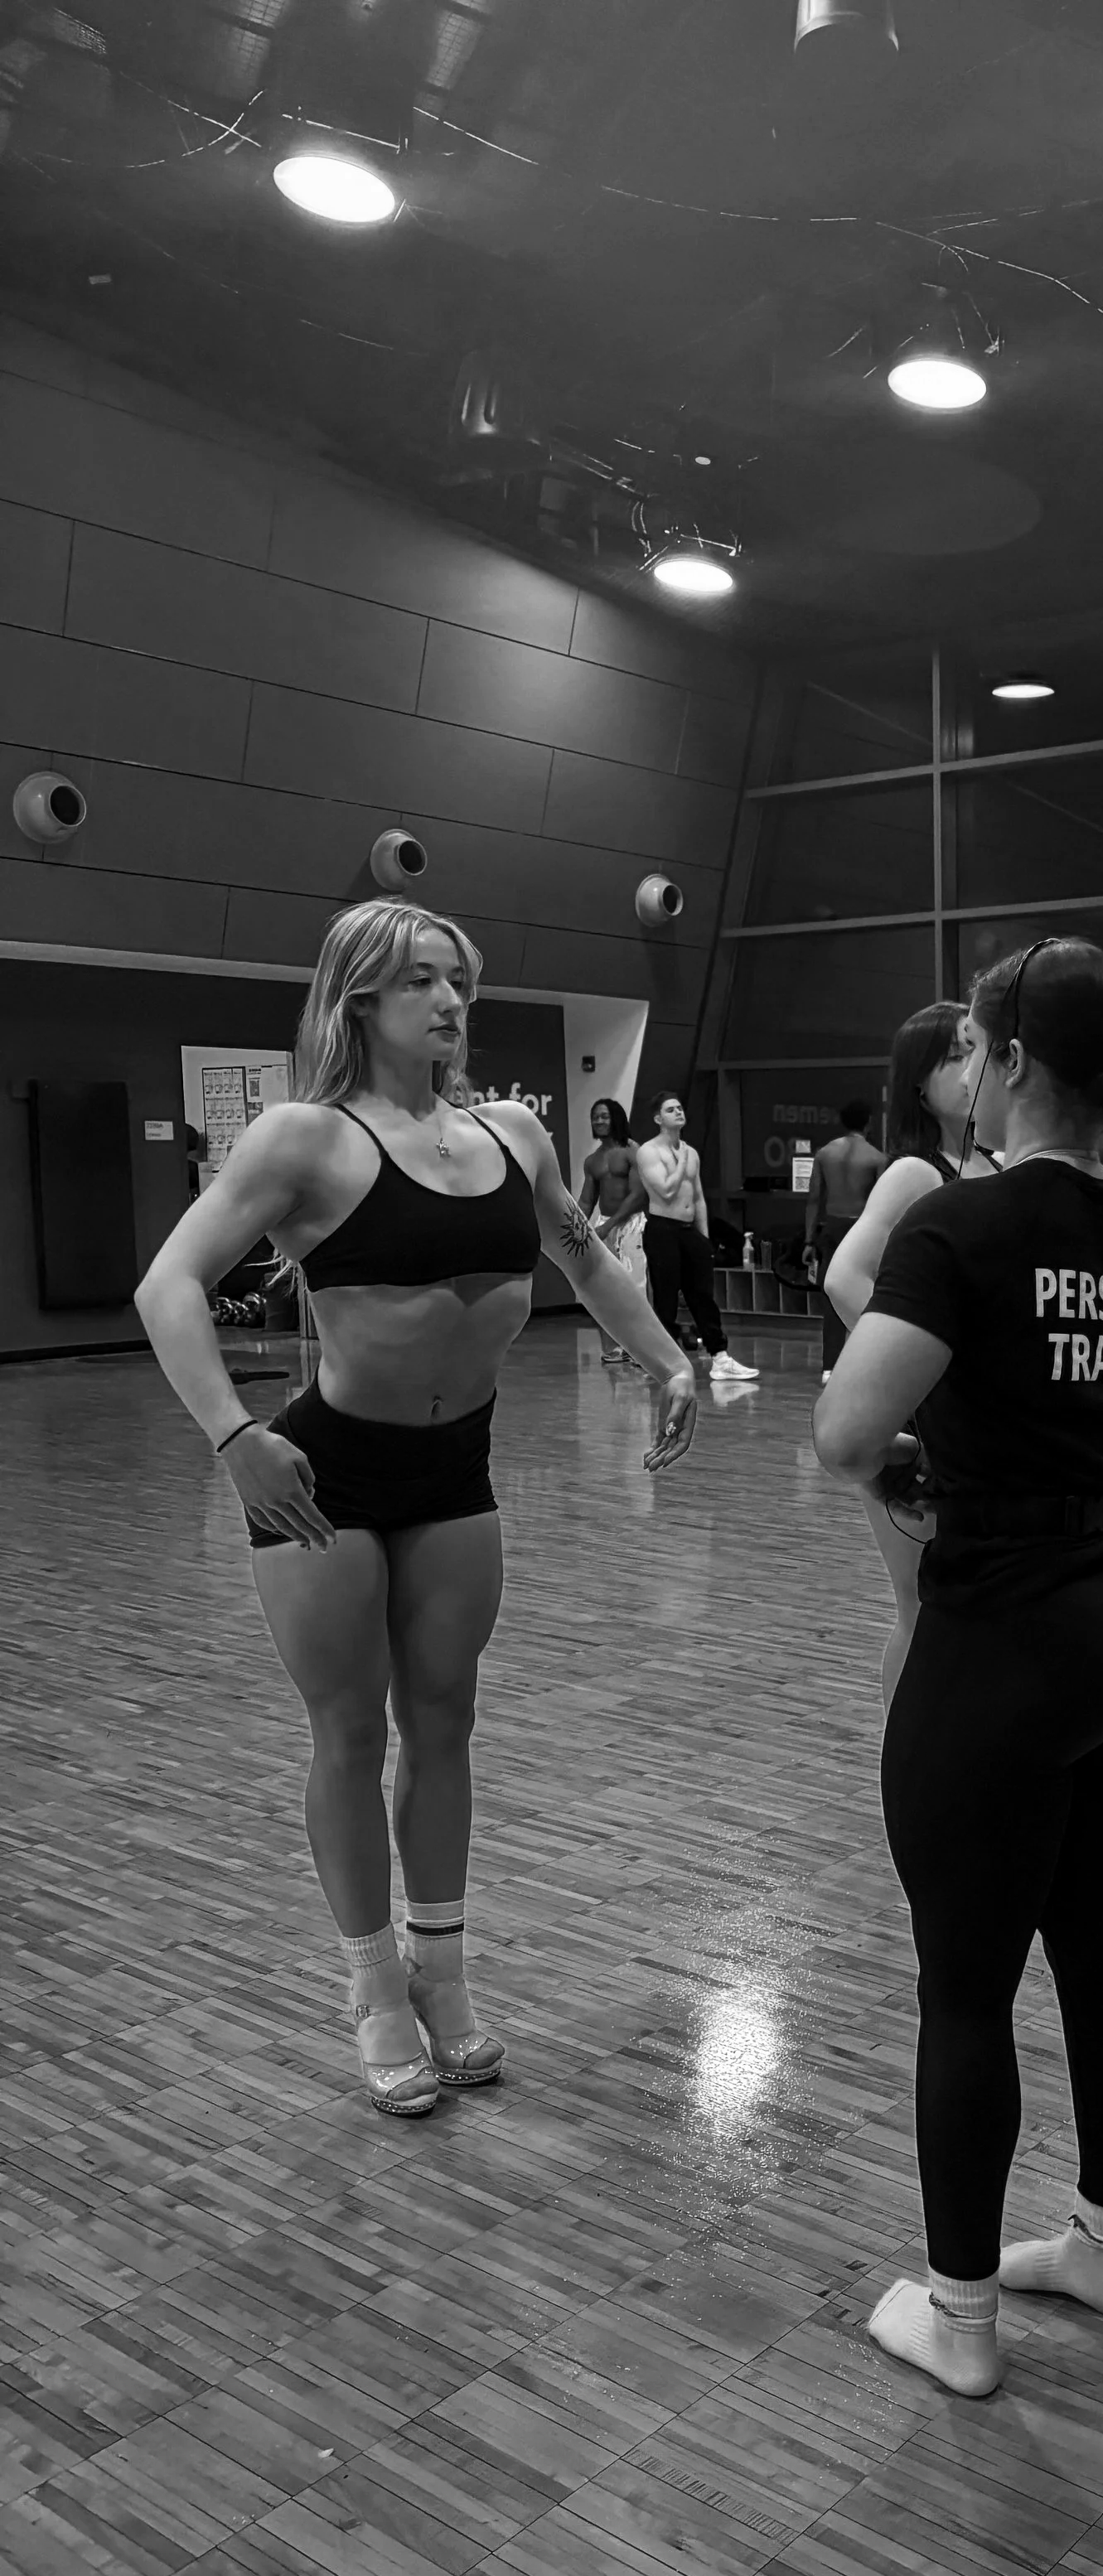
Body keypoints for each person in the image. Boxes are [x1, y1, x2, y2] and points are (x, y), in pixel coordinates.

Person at [133, 901, 699, 2116]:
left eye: (458, 983)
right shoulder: (303, 1139)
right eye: (421, 983)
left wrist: (669, 1360)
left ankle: (441, 1973)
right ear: (359, 1000)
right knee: (348, 1732)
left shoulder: (512, 1134)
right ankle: (373, 1988)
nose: (449, 1003)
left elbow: (585, 1257)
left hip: (456, 1473)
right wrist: (234, 1438)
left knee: (444, 1722)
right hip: (323, 1479)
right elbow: (167, 1283)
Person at [813, 938, 1103, 2400]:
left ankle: (960, 2320)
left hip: (1007, 1634)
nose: (964, 1071)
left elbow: (848, 1433)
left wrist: (946, 1436)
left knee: (965, 1989)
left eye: (976, 1047)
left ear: (1017, 1060)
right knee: (1101, 1949)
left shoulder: (960, 1227)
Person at [823, 1003, 996, 1705]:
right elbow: (844, 1277)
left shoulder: (999, 1163)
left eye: (975, 1049)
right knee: (923, 1606)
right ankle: (904, 1759)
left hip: (980, 1424)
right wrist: (926, 1365)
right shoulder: (916, 1173)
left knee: (974, 1607)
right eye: (953, 1055)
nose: (971, 1067)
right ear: (919, 1084)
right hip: (919, 1422)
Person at [638, 1095, 758, 1383]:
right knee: (666, 1298)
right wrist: (680, 1160)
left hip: (688, 1229)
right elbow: (666, 1191)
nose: (678, 1112)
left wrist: (704, 1240)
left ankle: (720, 1357)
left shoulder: (691, 1152)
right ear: (658, 1118)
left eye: (680, 1108)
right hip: (662, 1229)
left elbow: (698, 1197)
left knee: (703, 1296)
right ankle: (665, 1363)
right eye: (671, 1110)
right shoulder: (649, 1151)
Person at [804, 1100, 888, 1381]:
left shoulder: (825, 1153)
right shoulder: (876, 1157)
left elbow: (814, 1199)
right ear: (869, 1123)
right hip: (863, 1229)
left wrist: (808, 1240)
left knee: (832, 1295)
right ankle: (868, 1363)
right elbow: (882, 1203)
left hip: (832, 1227)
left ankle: (829, 1367)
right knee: (871, 1295)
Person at [578, 1098, 647, 1365]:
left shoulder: (632, 1152)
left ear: (616, 1118)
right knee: (608, 1289)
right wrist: (576, 1230)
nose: (599, 1121)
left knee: (636, 1287)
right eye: (595, 1117)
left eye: (604, 1116)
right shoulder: (593, 1160)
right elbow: (587, 1201)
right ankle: (618, 1346)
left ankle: (642, 1348)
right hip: (605, 1224)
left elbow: (638, 1195)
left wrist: (609, 1225)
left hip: (632, 1224)